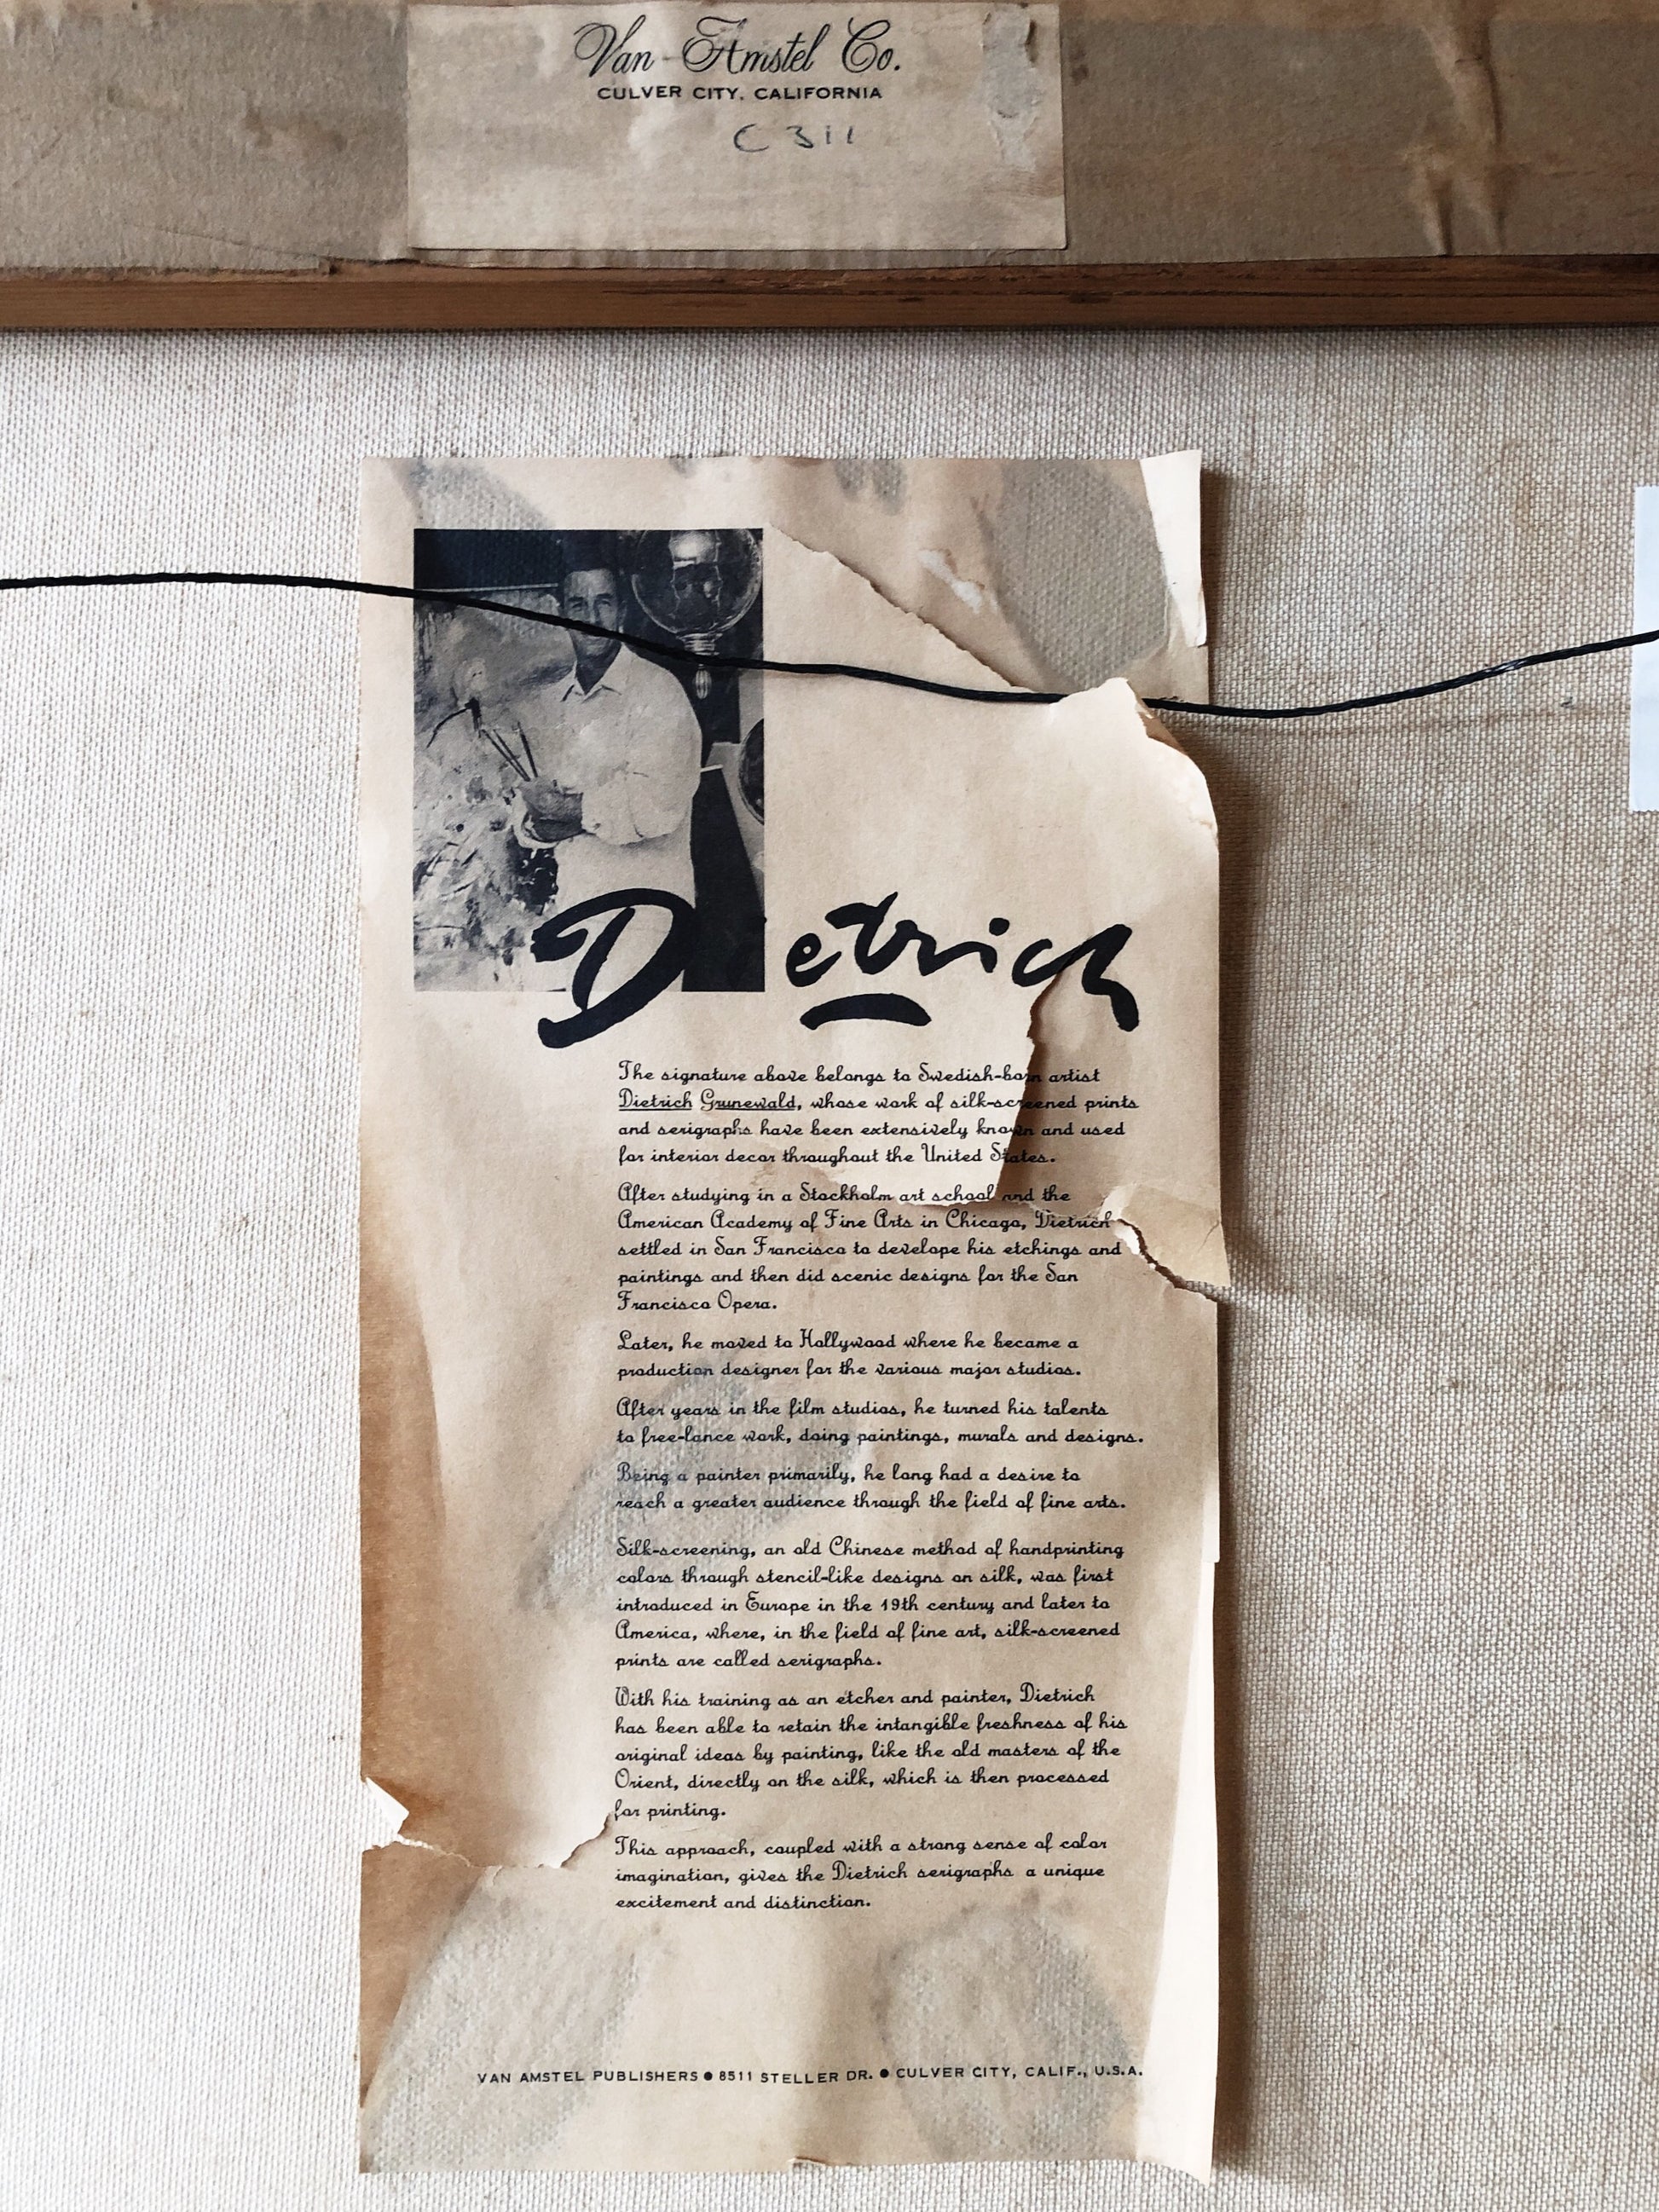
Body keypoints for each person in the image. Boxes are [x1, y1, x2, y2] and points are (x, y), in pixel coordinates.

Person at [511, 555, 704, 933]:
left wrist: (562, 811)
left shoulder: (659, 692)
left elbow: (655, 807)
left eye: (604, 602)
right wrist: (541, 823)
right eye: (578, 605)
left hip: (646, 917)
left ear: (622, 612)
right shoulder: (550, 703)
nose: (592, 618)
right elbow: (524, 810)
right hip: (572, 910)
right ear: (561, 614)